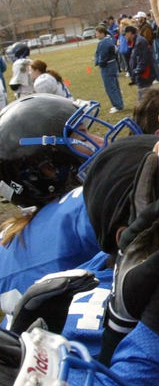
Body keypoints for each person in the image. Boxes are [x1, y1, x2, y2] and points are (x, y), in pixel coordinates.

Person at [0, 95, 140, 312]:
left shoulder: (14, 238)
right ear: (48, 168)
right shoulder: (77, 212)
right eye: (82, 136)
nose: (100, 141)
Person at [93, 24, 125, 113]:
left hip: (107, 66)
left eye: (97, 33)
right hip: (113, 65)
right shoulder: (110, 39)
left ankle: (117, 105)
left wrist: (98, 62)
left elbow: (102, 56)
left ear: (102, 33)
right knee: (115, 86)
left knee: (110, 87)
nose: (96, 35)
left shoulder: (103, 42)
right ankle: (120, 103)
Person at [124, 24, 155, 101]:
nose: (125, 36)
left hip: (144, 74)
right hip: (141, 74)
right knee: (144, 96)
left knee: (144, 97)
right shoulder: (135, 42)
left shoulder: (140, 42)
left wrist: (137, 71)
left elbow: (143, 59)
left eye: (125, 34)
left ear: (130, 33)